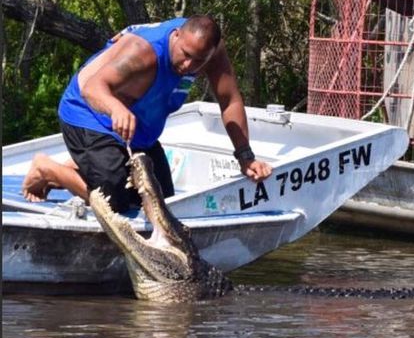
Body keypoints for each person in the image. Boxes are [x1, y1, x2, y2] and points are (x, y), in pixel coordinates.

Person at [21, 15, 272, 212]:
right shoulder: (143, 52)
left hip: (137, 126)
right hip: (88, 112)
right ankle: (46, 169)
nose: (188, 66)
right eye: (185, 55)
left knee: (161, 204)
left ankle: (81, 166)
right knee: (113, 201)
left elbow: (229, 101)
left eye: (198, 61)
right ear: (176, 36)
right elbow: (93, 88)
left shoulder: (211, 52)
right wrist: (116, 108)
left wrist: (245, 156)